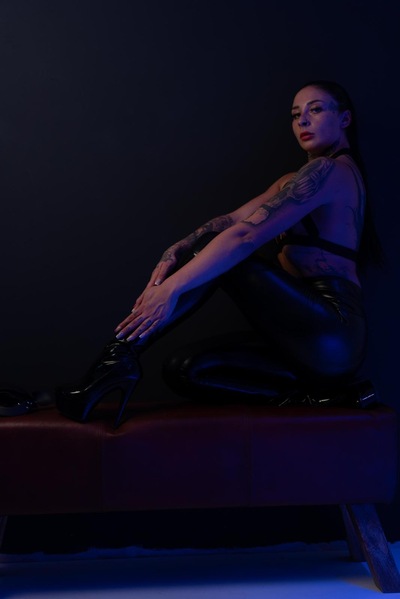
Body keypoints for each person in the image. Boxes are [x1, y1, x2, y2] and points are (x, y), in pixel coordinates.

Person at [55, 80, 382, 427]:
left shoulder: (331, 170)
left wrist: (171, 289)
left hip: (331, 332)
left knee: (225, 255)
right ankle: (324, 398)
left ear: (344, 119)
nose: (302, 120)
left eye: (315, 109)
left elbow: (244, 236)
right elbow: (233, 219)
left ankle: (112, 362)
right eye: (295, 114)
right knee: (185, 369)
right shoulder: (295, 178)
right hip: (296, 336)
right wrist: (178, 248)